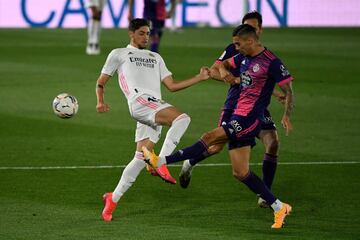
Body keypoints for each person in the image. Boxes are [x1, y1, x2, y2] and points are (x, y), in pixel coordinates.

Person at [143, 24, 294, 229]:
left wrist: (286, 114)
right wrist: (224, 72)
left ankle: (160, 160)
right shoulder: (243, 57)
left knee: (209, 138)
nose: (236, 48)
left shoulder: (271, 62)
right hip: (237, 113)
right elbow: (223, 65)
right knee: (240, 172)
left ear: (250, 41)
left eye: (238, 44)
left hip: (249, 119)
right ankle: (279, 207)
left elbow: (288, 89)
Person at [97, 18, 209, 221]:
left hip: (154, 105)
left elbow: (172, 86)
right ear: (131, 34)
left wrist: (199, 78)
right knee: (182, 119)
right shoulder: (119, 54)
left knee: (139, 159)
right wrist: (100, 102)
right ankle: (161, 162)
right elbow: (101, 82)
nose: (146, 36)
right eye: (141, 33)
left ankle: (112, 200)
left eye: (148, 33)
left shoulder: (155, 57)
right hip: (140, 101)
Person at [179, 11, 285, 208]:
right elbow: (213, 71)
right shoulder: (233, 49)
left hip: (257, 108)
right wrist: (232, 78)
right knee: (216, 146)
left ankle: (265, 195)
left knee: (273, 142)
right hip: (236, 106)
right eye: (246, 26)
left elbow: (258, 81)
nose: (249, 31)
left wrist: (276, 93)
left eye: (253, 28)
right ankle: (190, 161)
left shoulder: (263, 54)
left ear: (259, 30)